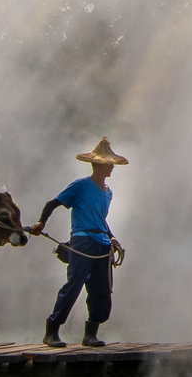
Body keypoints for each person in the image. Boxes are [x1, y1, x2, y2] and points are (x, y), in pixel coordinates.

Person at [29, 137, 128, 347]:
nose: (111, 167)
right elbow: (52, 203)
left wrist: (111, 236)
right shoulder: (80, 186)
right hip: (82, 241)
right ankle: (52, 331)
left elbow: (99, 219)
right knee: (73, 285)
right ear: (97, 165)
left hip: (102, 243)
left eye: (112, 164)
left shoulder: (108, 192)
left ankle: (91, 333)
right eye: (108, 164)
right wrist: (41, 222)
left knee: (101, 289)